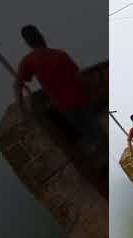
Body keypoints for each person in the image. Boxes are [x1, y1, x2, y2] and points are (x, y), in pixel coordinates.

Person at [14, 25, 107, 166]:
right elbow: (79, 78)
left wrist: (21, 110)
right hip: (81, 100)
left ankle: (106, 162)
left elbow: (18, 85)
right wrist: (94, 88)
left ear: (27, 42)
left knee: (89, 136)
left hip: (65, 107)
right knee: (97, 133)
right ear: (41, 36)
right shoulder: (59, 55)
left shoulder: (29, 61)